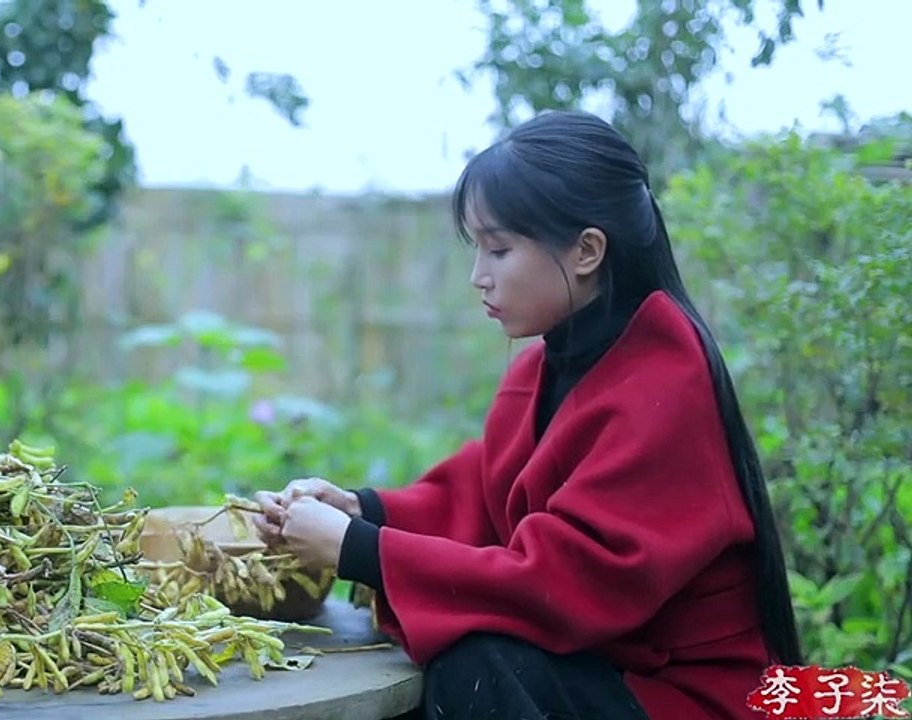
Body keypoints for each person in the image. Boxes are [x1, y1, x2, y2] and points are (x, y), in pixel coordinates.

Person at [252, 110, 803, 720]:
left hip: (684, 694)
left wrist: (359, 549)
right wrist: (362, 511)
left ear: (587, 250)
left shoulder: (666, 380)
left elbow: (568, 579)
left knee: (477, 668)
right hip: (605, 664)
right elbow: (483, 497)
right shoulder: (545, 365)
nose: (478, 277)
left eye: (499, 249)